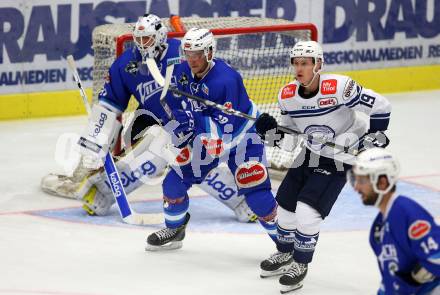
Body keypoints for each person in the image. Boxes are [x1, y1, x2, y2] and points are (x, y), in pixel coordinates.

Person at [42, 14, 257, 223]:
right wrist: (96, 135)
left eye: (148, 39)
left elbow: (208, 79)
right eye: (139, 39)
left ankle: (244, 201)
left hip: (192, 120)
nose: (143, 44)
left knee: (194, 161)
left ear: (161, 36)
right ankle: (101, 192)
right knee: (156, 154)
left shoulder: (182, 53)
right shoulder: (125, 65)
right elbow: (109, 104)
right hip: (152, 121)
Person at [255, 40, 392, 293]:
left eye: (305, 63)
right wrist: (270, 133)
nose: (299, 68)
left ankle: (300, 263)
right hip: (312, 152)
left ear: (318, 65)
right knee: (285, 206)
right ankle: (285, 253)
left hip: (342, 156)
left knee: (307, 211)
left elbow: (381, 105)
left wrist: (374, 136)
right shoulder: (287, 96)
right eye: (296, 63)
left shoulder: (340, 87)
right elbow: (289, 137)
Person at [145, 28, 278, 251]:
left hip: (241, 138)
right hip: (208, 138)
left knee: (258, 198)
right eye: (188, 53)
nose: (192, 59)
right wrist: (178, 122)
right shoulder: (182, 70)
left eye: (197, 53)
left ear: (209, 52)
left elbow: (223, 132)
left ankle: (288, 247)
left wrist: (191, 121)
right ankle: (175, 229)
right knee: (173, 184)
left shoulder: (227, 80)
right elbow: (177, 105)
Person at [349, 148, 440, 294]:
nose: (356, 187)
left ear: (382, 183)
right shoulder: (378, 229)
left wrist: (416, 278)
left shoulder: (407, 213)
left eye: (362, 180)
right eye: (356, 180)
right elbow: (391, 279)